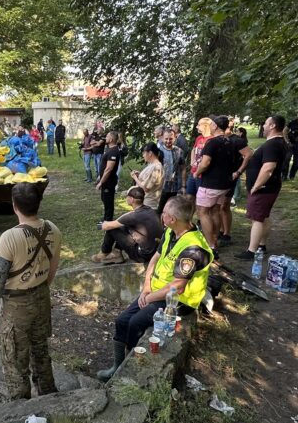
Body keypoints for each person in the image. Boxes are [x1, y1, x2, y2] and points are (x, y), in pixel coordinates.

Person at [97, 196, 213, 381]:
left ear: (172, 219)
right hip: (157, 291)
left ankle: (133, 367)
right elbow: (155, 258)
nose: (161, 215)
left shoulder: (193, 250)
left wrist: (150, 298)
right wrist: (146, 287)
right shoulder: (171, 232)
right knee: (121, 321)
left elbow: (178, 286)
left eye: (164, 213)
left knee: (135, 323)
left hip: (178, 300)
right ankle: (117, 367)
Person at [0, 182, 62, 399]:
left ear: (14, 206)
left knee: (15, 356)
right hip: (42, 297)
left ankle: (21, 406)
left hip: (16, 306)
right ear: (38, 203)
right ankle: (49, 395)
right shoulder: (53, 229)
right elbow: (53, 267)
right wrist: (40, 288)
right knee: (41, 351)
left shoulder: (9, 237)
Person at [234, 116, 288, 260]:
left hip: (263, 188)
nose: (263, 126)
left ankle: (251, 251)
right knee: (264, 216)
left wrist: (256, 186)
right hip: (269, 187)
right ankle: (262, 245)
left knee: (257, 218)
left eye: (265, 123)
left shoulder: (273, 144)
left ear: (272, 126)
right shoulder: (277, 142)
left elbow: (268, 168)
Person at [194, 115, 235, 254]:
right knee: (216, 210)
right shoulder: (229, 141)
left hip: (210, 184)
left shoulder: (212, 142)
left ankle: (210, 244)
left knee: (203, 212)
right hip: (225, 184)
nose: (209, 126)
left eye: (211, 124)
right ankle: (215, 239)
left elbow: (205, 163)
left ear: (215, 126)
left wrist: (196, 172)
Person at [91, 186, 162, 264]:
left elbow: (106, 226)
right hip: (155, 252)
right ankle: (116, 253)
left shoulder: (133, 216)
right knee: (123, 226)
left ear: (131, 199)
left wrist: (99, 224)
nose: (126, 198)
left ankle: (103, 254)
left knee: (112, 229)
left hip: (143, 256)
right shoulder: (150, 210)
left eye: (127, 196)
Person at [95, 131, 123, 221]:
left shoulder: (113, 152)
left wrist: (101, 182)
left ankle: (108, 221)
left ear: (111, 139)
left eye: (107, 136)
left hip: (109, 181)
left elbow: (108, 169)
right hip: (106, 181)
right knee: (105, 199)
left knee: (108, 200)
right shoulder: (110, 149)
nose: (105, 138)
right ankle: (106, 218)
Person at [156, 129, 184, 215]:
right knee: (159, 210)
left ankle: (167, 227)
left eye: (170, 139)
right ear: (162, 138)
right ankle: (158, 227)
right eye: (166, 138)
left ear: (175, 138)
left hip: (174, 186)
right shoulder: (158, 151)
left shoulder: (179, 151)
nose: (168, 141)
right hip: (160, 187)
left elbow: (182, 168)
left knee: (171, 210)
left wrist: (183, 185)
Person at [130, 142, 163, 209]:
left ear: (150, 153)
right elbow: (148, 178)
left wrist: (135, 178)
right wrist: (139, 175)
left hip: (148, 205)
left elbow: (146, 188)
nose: (143, 155)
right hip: (145, 203)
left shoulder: (156, 167)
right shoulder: (152, 165)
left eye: (144, 153)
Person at [185, 117, 213, 197]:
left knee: (200, 199)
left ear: (205, 126)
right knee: (189, 196)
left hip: (203, 176)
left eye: (199, 125)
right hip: (193, 172)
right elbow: (193, 149)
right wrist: (192, 161)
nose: (197, 127)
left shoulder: (212, 140)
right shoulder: (199, 138)